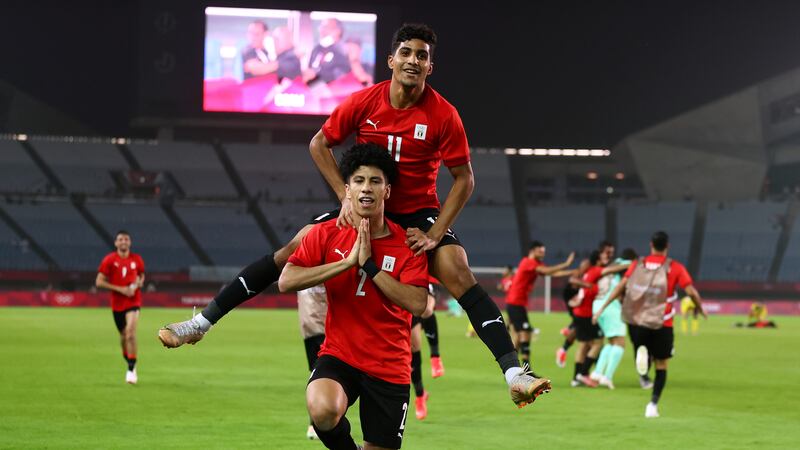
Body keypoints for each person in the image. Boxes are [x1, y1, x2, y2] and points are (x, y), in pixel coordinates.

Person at [159, 23, 550, 408]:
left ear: (430, 67)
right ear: (391, 60)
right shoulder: (365, 102)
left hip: (416, 214)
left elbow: (464, 179)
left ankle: (514, 374)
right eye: (407, 53)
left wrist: (437, 233)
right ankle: (200, 324)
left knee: (458, 269)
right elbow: (319, 144)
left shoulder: (444, 115)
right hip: (367, 204)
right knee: (289, 252)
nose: (414, 60)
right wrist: (345, 196)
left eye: (423, 56)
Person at [278, 143, 429, 450]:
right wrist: (346, 263)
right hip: (340, 355)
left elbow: (418, 304)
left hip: (389, 365)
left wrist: (370, 266)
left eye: (375, 181)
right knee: (322, 409)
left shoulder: (408, 243)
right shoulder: (325, 234)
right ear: (347, 189)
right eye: (359, 181)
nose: (366, 189)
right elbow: (287, 280)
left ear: (387, 191)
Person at [594, 231, 706, 418]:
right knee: (662, 364)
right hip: (662, 323)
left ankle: (642, 352)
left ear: (650, 245)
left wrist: (602, 307)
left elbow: (621, 286)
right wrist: (700, 308)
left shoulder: (637, 264)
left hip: (637, 322)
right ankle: (652, 404)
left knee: (641, 345)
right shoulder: (675, 267)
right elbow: (691, 292)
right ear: (667, 246)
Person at [504, 242, 575, 369]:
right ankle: (523, 369)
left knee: (520, 337)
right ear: (532, 251)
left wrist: (571, 272)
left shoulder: (536, 264)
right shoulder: (528, 262)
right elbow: (546, 270)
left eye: (544, 251)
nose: (543, 253)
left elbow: (551, 273)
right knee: (525, 334)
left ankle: (512, 368)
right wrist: (566, 264)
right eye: (540, 251)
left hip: (517, 303)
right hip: (515, 303)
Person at [568, 250, 627, 387]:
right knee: (598, 343)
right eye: (603, 256)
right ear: (598, 261)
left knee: (583, 345)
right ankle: (583, 374)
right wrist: (628, 265)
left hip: (580, 312)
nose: (605, 258)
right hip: (586, 313)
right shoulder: (595, 270)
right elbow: (612, 269)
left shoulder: (588, 272)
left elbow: (574, 280)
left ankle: (576, 378)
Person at [95, 231, 145, 385]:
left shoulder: (137, 259)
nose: (124, 241)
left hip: (133, 301)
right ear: (116, 243)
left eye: (126, 239)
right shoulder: (109, 260)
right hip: (117, 304)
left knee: (130, 333)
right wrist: (120, 289)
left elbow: (141, 276)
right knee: (123, 337)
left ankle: (131, 368)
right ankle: (129, 359)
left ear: (130, 242)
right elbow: (99, 282)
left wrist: (138, 283)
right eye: (120, 239)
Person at [589, 248, 637, 389]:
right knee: (620, 343)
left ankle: (597, 373)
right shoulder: (630, 265)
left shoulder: (614, 264)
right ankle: (607, 377)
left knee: (611, 342)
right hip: (609, 305)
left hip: (597, 305)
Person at [297, 284, 327, 440]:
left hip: (310, 328)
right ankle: (315, 424)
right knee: (321, 374)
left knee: (317, 373)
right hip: (320, 329)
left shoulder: (302, 268)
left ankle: (314, 425)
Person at [410, 283, 438, 421]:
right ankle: (420, 394)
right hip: (397, 298)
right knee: (411, 351)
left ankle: (436, 357)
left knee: (414, 344)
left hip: (415, 293)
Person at [304, 18, 351, 85]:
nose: (322, 30)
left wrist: (317, 74)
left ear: (338, 31)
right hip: (315, 89)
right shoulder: (317, 49)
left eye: (326, 27)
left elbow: (343, 74)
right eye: (321, 27)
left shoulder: (345, 50)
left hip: (338, 91)